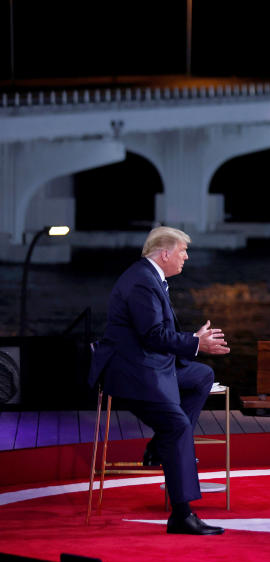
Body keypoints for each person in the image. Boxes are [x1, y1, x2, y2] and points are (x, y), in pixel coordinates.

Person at [89, 227, 230, 535]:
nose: (186, 257)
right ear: (164, 254)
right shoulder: (142, 282)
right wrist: (195, 342)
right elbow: (153, 335)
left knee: (202, 375)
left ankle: (158, 446)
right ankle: (181, 515)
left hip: (150, 363)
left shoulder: (150, 277)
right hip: (133, 372)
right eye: (182, 251)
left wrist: (193, 344)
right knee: (177, 425)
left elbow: (155, 336)